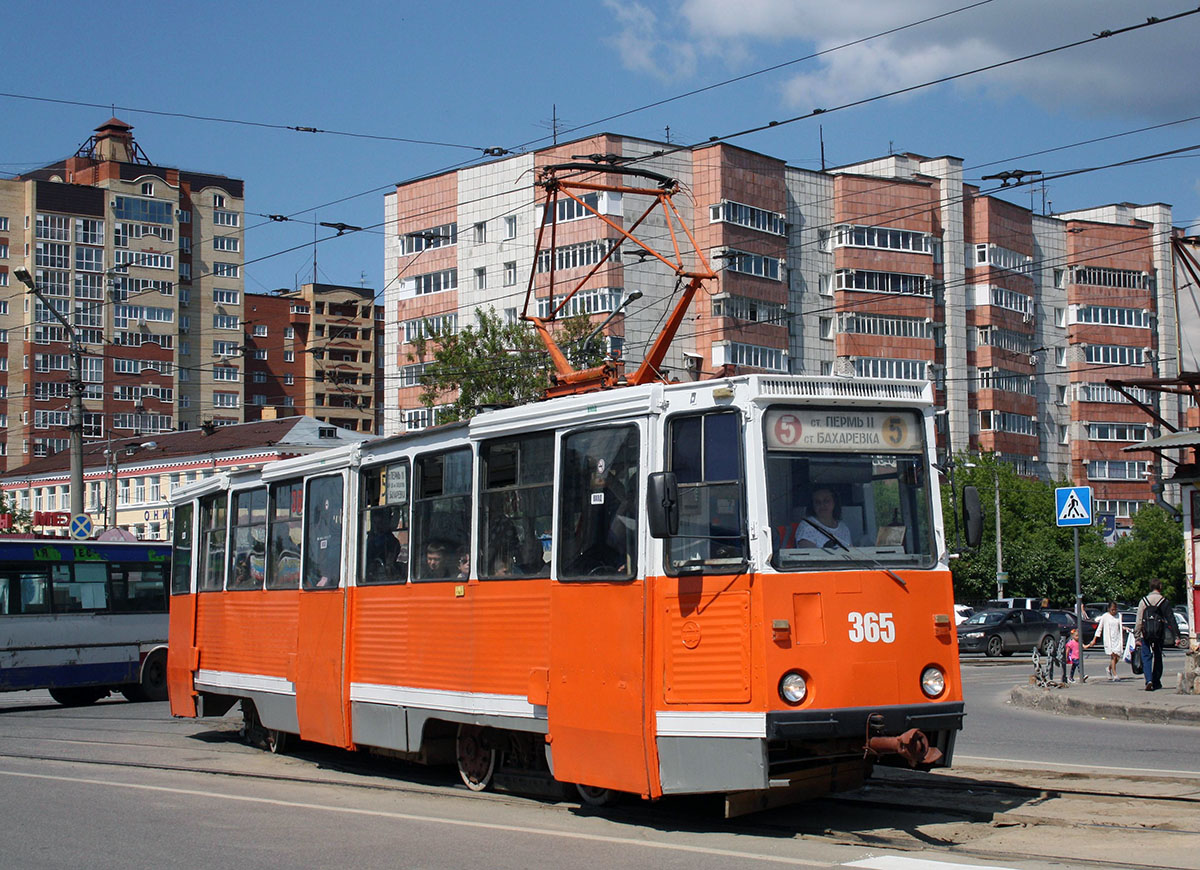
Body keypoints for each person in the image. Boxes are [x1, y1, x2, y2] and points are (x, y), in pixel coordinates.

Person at [1134, 578, 1173, 691]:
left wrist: (1137, 636)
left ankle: (1148, 680)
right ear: (1159, 587)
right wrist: (1176, 635)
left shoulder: (1144, 601)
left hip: (1145, 634)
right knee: (1158, 656)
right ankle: (1156, 681)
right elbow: (1170, 618)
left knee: (1146, 657)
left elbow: (1139, 620)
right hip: (1159, 634)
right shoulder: (1163, 601)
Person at [1086, 602, 1125, 681]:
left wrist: (1124, 628)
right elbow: (1099, 628)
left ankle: (1109, 668)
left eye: (1115, 610)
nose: (1114, 611)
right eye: (1112, 610)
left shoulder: (1119, 616)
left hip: (1117, 638)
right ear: (1108, 609)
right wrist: (1094, 639)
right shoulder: (1105, 616)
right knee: (1113, 656)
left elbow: (1119, 625)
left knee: (1117, 657)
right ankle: (1115, 674)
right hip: (1109, 639)